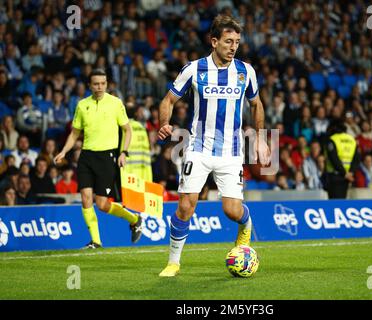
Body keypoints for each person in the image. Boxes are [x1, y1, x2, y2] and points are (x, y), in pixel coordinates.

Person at [157, 15, 270, 277]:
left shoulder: (245, 71)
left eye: (237, 42)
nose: (233, 47)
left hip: (231, 152)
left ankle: (245, 225)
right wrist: (164, 122)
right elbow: (168, 101)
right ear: (214, 41)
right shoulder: (194, 69)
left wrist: (261, 138)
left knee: (232, 210)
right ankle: (174, 262)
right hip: (197, 148)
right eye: (229, 41)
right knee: (186, 205)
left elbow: (257, 104)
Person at [54, 68, 143, 249]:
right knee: (86, 197)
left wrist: (123, 152)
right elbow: (74, 134)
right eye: (96, 84)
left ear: (107, 84)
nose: (99, 87)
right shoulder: (82, 105)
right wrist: (64, 151)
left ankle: (134, 219)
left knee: (102, 204)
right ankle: (96, 241)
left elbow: (128, 130)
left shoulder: (116, 103)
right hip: (86, 156)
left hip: (107, 157)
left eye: (102, 83)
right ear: (89, 85)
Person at [324, 120, 360, 199]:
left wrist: (344, 173)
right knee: (343, 203)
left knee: (334, 205)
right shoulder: (352, 140)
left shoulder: (332, 139)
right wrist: (351, 172)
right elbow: (357, 159)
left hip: (335, 176)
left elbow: (334, 159)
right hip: (348, 177)